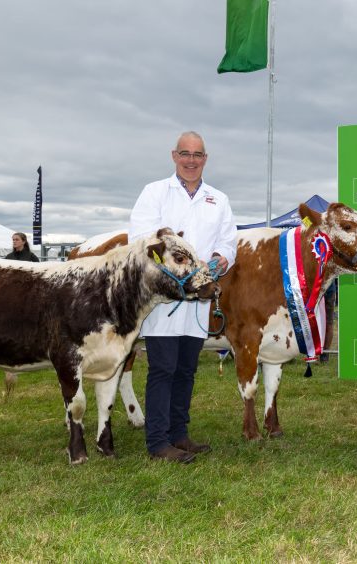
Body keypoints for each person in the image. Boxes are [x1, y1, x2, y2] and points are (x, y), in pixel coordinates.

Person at [129, 131, 237, 463]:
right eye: (185, 154)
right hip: (165, 299)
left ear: (205, 159)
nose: (191, 160)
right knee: (163, 368)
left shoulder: (218, 199)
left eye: (198, 155)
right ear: (174, 156)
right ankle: (158, 442)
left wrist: (221, 257)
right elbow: (141, 240)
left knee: (186, 370)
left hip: (198, 299)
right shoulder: (155, 192)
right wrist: (177, 269)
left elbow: (228, 241)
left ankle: (179, 434)